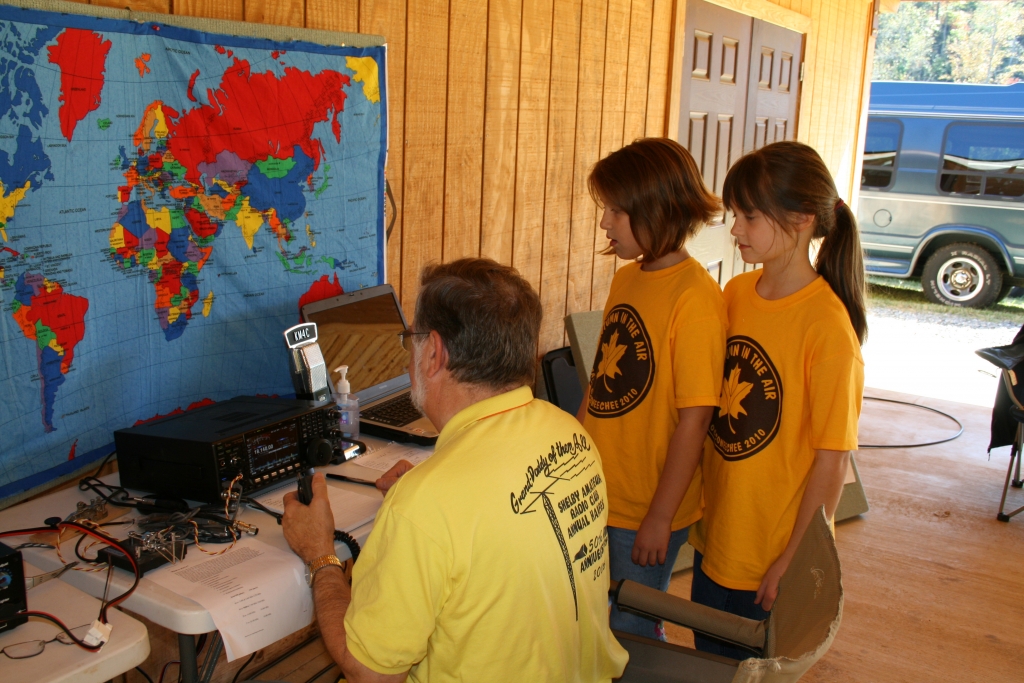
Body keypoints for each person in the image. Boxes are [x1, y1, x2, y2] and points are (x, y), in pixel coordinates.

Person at [282, 258, 628, 683]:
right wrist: (432, 493)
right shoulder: (571, 433)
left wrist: (321, 555)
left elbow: (370, 674)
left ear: (434, 352)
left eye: (411, 339)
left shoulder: (426, 504)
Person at [690, 141, 865, 659]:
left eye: (749, 216)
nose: (735, 229)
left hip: (770, 561)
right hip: (716, 542)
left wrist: (793, 560)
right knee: (709, 664)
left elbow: (832, 461)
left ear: (803, 218)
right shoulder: (735, 295)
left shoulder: (828, 329)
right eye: (734, 214)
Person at [577, 137, 726, 640]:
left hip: (645, 508)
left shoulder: (696, 300)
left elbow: (696, 421)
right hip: (600, 490)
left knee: (632, 629)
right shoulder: (626, 281)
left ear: (656, 210)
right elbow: (601, 382)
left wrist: (660, 518)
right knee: (595, 622)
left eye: (616, 212)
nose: (605, 223)